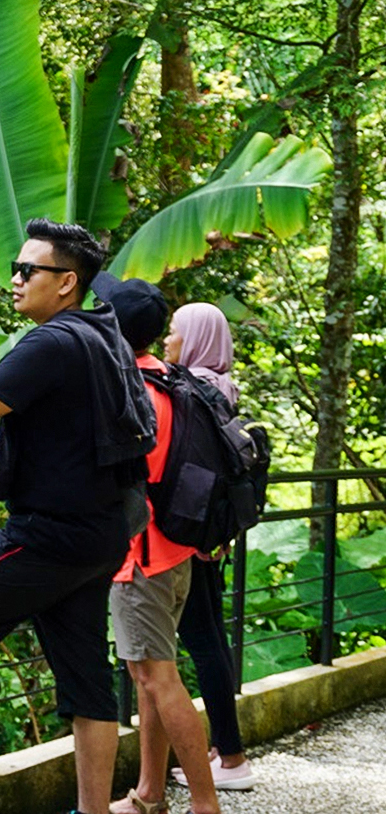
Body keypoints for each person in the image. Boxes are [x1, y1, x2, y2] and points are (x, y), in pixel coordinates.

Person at [0, 219, 155, 814]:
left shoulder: (49, 342)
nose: (15, 280)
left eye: (29, 271)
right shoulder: (105, 336)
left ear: (67, 282)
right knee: (86, 682)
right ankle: (94, 810)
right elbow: (82, 437)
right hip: (100, 536)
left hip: (48, 535)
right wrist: (10, 477)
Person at [93, 276, 219, 814]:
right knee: (148, 677)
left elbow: (117, 477)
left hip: (141, 557)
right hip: (174, 551)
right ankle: (149, 793)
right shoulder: (167, 380)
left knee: (158, 678)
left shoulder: (132, 395)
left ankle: (205, 803)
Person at [166, 303, 257, 791]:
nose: (168, 341)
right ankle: (225, 748)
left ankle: (234, 758)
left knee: (202, 644)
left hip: (191, 539)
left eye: (176, 332)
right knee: (213, 640)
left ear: (197, 338)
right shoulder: (222, 385)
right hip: (213, 537)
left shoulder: (192, 390)